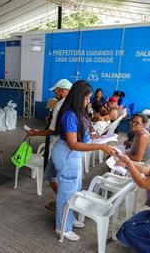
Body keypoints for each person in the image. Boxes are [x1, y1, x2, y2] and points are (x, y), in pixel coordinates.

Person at [52, 80, 116, 241]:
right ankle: (62, 228)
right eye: (87, 98)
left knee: (75, 189)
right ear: (79, 96)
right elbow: (73, 144)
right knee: (66, 193)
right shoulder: (70, 115)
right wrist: (100, 147)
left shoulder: (79, 112)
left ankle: (70, 219)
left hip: (73, 156)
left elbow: (83, 135)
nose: (89, 101)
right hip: (67, 155)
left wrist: (96, 137)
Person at [28, 79, 72, 211]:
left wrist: (34, 133)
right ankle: (63, 201)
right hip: (71, 148)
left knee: (49, 175)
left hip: (60, 144)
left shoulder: (60, 105)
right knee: (63, 177)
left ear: (63, 91)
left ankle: (63, 202)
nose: (54, 93)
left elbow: (52, 130)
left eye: (56, 91)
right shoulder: (74, 104)